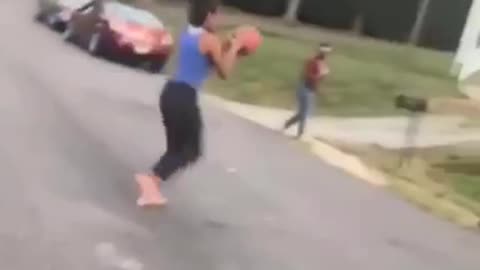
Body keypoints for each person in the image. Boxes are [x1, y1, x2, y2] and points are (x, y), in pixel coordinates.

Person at [135, 0, 244, 207]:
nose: (219, 19)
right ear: (208, 16)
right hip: (184, 96)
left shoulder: (187, 34)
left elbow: (208, 62)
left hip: (170, 93)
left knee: (175, 149)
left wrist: (228, 47)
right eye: (217, 15)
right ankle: (150, 180)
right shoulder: (210, 40)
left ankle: (150, 189)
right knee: (191, 150)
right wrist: (236, 47)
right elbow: (224, 72)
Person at [283, 44, 332, 138]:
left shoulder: (323, 64)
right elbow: (308, 76)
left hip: (311, 90)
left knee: (303, 113)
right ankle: (299, 134)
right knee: (304, 113)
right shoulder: (313, 61)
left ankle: (287, 124)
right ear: (320, 52)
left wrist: (321, 81)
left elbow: (320, 78)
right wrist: (320, 75)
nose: (325, 55)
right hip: (305, 88)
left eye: (327, 53)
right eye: (324, 52)